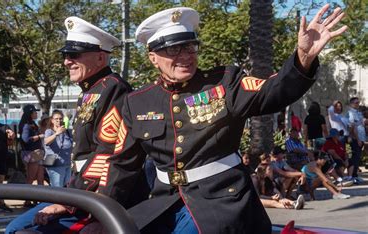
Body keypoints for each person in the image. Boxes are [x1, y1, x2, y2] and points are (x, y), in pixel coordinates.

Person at [96, 5, 347, 233]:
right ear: (153, 57)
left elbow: (273, 91)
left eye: (189, 46)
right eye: (173, 49)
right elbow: (122, 166)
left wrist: (303, 58)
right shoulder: (137, 101)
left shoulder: (225, 83)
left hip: (223, 202)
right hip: (165, 203)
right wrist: (101, 213)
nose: (185, 55)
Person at [6, 16, 134, 233]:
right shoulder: (90, 91)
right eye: (66, 55)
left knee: (23, 230)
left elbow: (107, 153)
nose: (66, 61)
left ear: (100, 58)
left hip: (96, 195)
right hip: (80, 190)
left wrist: (67, 203)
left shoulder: (113, 88)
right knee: (16, 227)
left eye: (74, 55)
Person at [19, 104, 45, 199]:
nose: (36, 113)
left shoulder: (32, 123)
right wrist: (38, 136)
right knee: (30, 178)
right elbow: (25, 139)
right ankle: (27, 200)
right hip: (32, 153)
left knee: (40, 178)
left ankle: (41, 199)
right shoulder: (26, 125)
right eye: (34, 111)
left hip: (37, 153)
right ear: (30, 113)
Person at [42, 110, 72, 187]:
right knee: (57, 189)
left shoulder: (67, 132)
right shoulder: (49, 131)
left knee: (67, 189)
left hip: (67, 164)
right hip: (55, 165)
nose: (59, 120)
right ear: (52, 120)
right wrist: (56, 134)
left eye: (60, 118)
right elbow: (46, 142)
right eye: (56, 119)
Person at [346, 97, 364, 184]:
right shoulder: (351, 113)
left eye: (358, 102)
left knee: (357, 157)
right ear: (351, 104)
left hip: (361, 138)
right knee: (354, 157)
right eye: (356, 103)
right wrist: (358, 139)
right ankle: (352, 176)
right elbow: (352, 127)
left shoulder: (358, 113)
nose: (358, 104)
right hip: (356, 139)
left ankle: (355, 174)